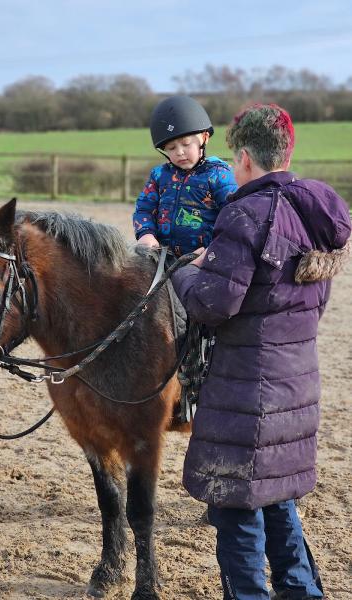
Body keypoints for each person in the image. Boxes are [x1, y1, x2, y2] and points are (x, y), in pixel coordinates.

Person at [170, 103, 351, 599]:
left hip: (246, 394)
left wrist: (183, 270)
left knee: (237, 513)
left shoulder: (245, 214)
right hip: (298, 385)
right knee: (277, 501)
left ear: (244, 158)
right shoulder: (316, 213)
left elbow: (213, 304)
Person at [133, 95, 237, 256]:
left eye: (186, 144)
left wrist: (215, 250)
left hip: (204, 258)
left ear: (204, 138)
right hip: (163, 256)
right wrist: (146, 233)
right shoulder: (159, 175)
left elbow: (233, 218)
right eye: (171, 148)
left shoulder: (219, 176)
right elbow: (144, 208)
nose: (180, 152)